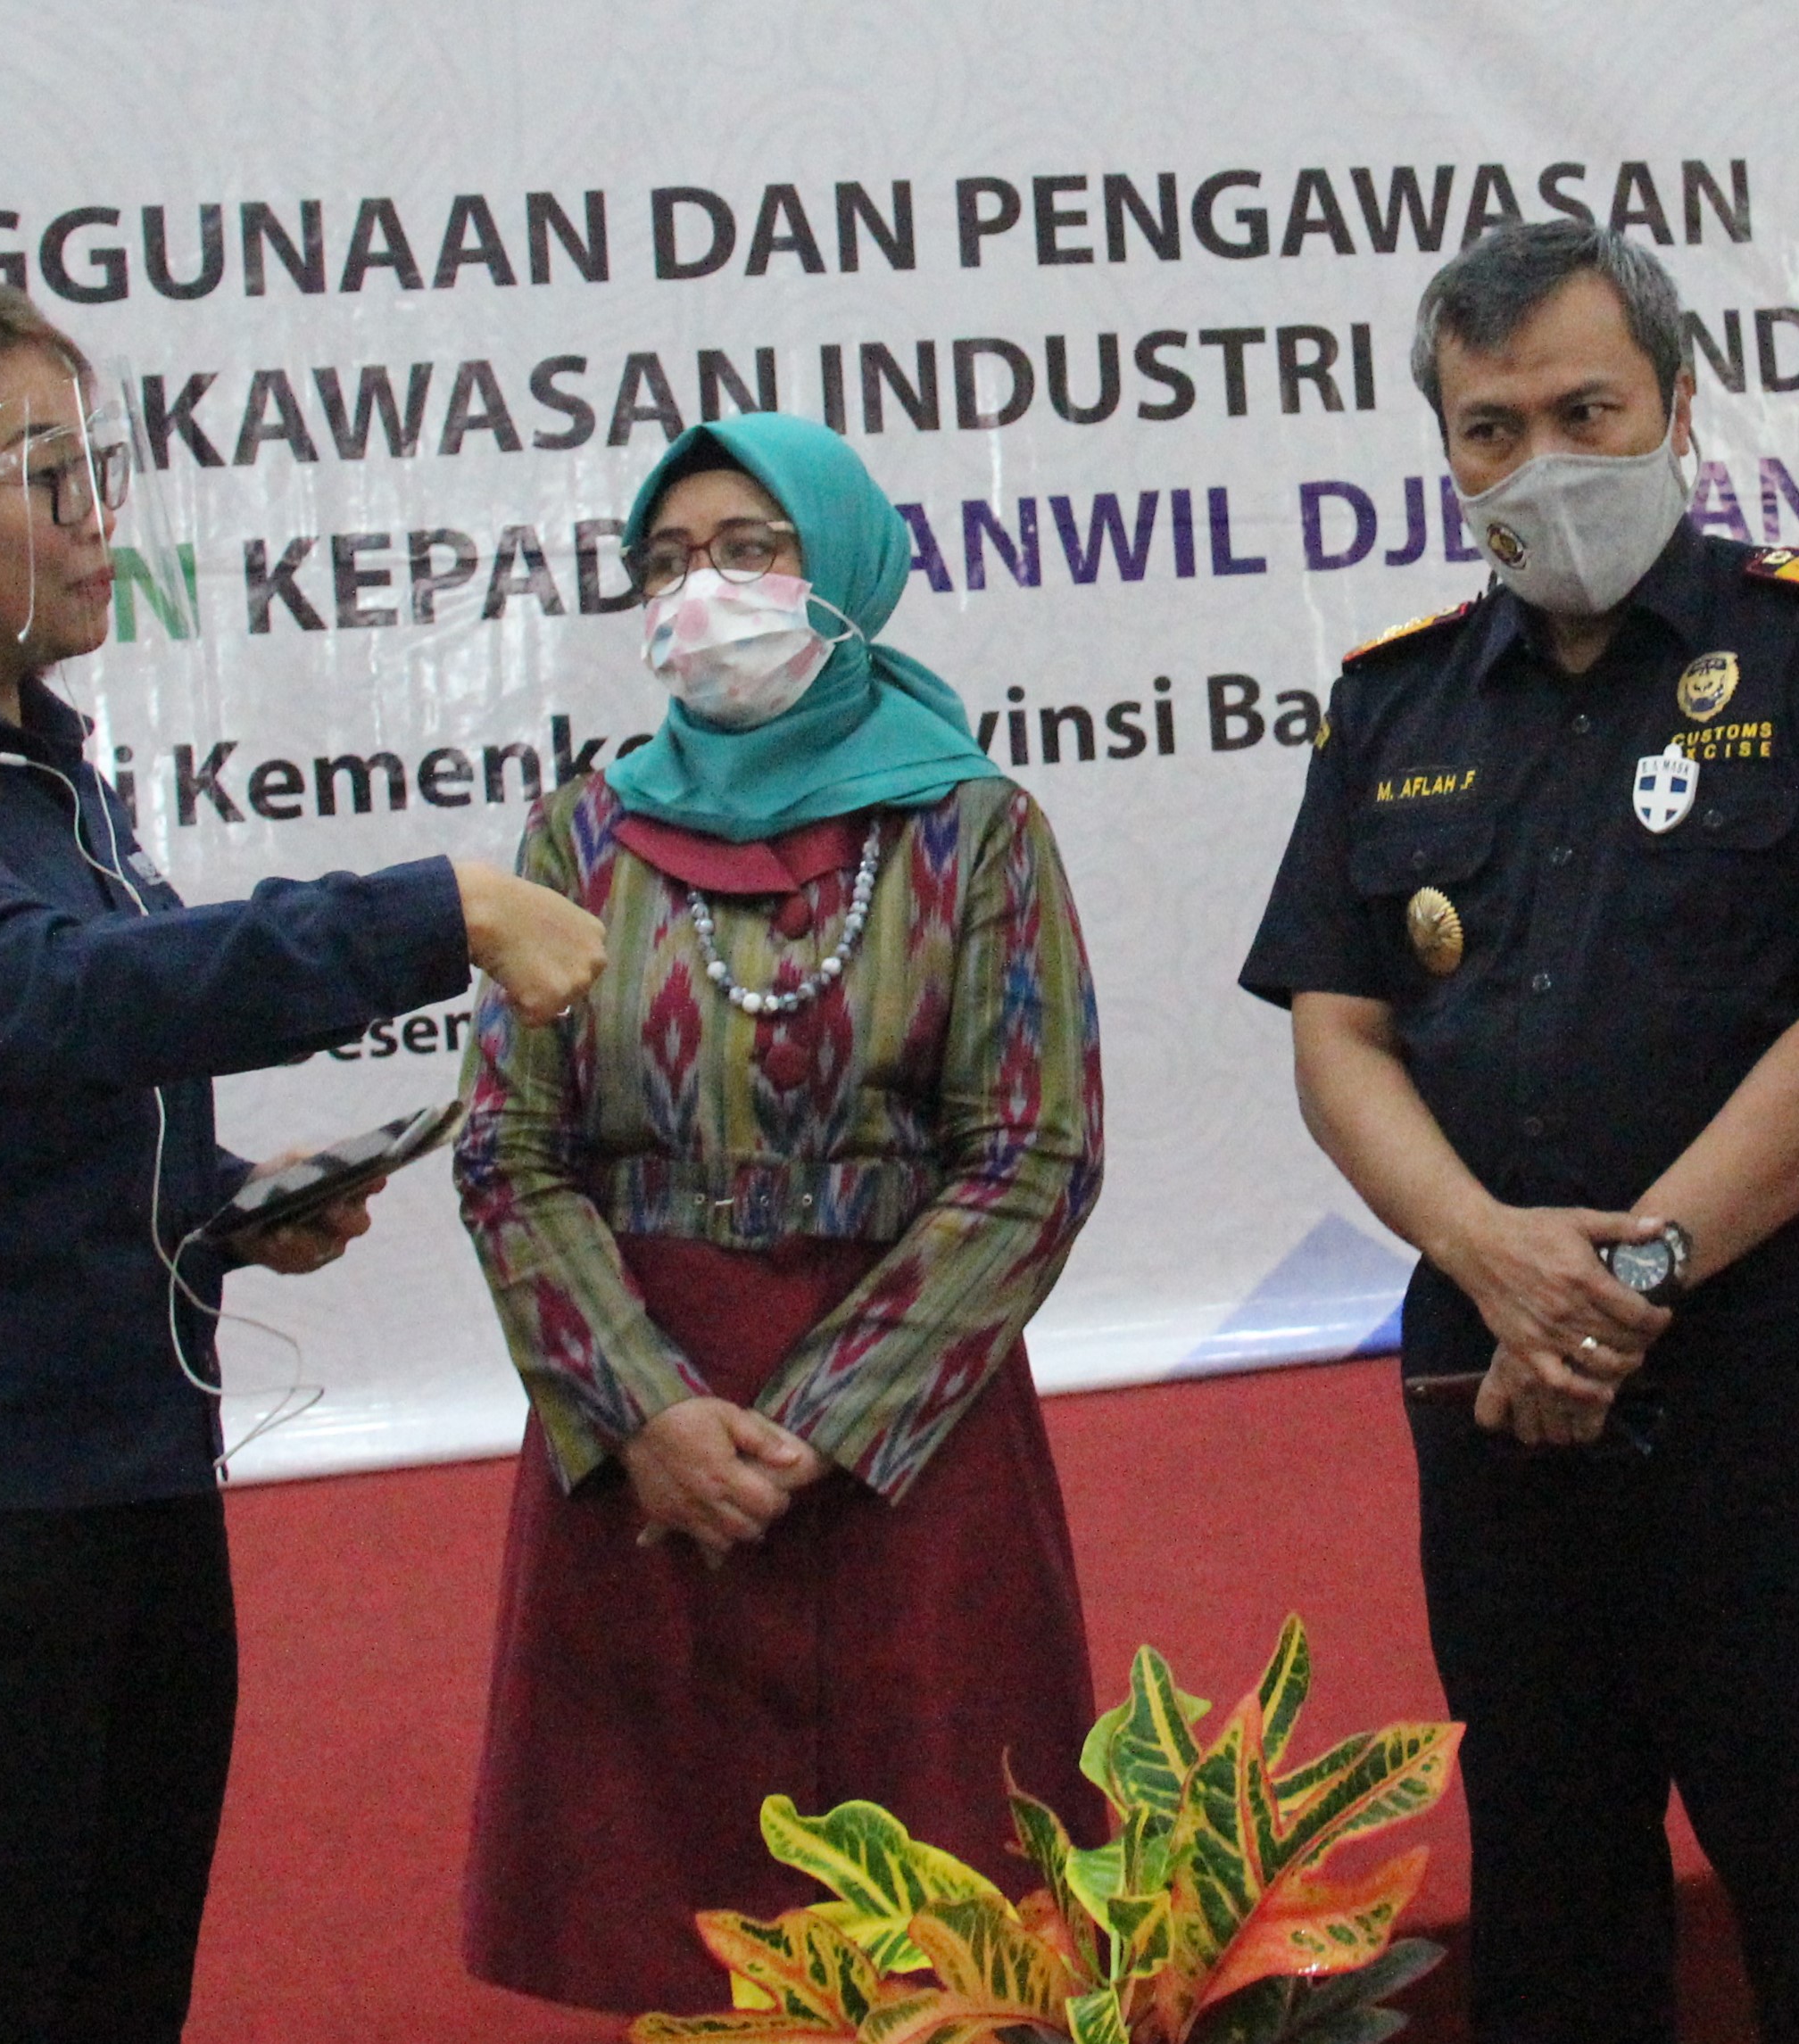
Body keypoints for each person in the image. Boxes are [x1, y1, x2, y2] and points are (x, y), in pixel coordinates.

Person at [0, 271, 608, 2044]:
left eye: (98, 466)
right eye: (46, 476)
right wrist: (433, 913)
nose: (100, 518)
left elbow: (8, 1116)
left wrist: (213, 1206)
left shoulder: (41, 781)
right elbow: (34, 1002)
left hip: (122, 1498)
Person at [1237, 221, 1799, 2044]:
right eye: (1490, 428)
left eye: (1584, 411)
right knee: (1552, 1901)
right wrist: (1493, 1260)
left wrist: (1623, 1282)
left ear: (1677, 404)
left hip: (1774, 1382)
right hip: (1493, 1387)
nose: (1540, 463)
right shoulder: (1394, 699)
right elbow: (1339, 1040)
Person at [450, 411, 1107, 2015]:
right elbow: (507, 1151)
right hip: (647, 1449)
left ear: (846, 571)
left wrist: (821, 1421)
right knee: (669, 1927)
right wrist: (650, 1415)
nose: (704, 593)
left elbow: (1032, 1154)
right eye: (668, 562)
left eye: (750, 551)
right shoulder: (577, 837)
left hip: (905, 1453)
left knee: (945, 1936)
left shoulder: (973, 829)